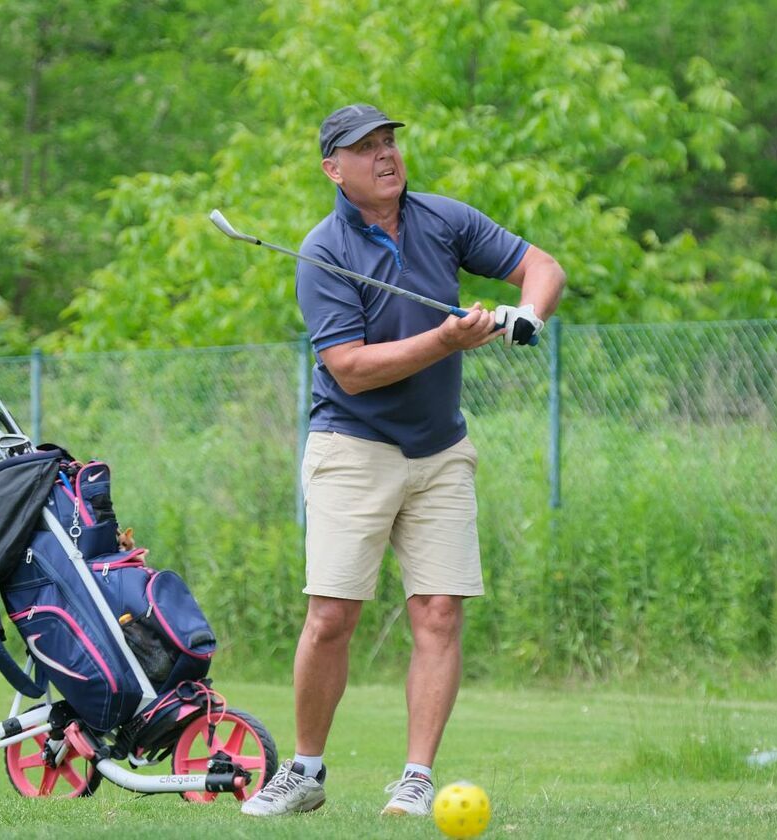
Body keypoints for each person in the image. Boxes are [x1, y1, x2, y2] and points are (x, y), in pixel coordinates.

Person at [241, 104, 565, 818]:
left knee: (440, 612)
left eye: (389, 141)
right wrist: (445, 342)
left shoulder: (444, 219)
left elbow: (541, 265)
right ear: (334, 169)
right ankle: (305, 770)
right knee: (332, 616)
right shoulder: (321, 250)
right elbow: (351, 368)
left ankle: (417, 779)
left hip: (440, 448)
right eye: (366, 148)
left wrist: (528, 316)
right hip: (352, 446)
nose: (385, 154)